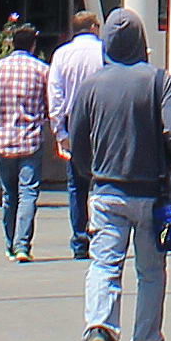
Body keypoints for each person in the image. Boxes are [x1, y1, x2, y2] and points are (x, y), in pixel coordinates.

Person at [61, 9, 171, 341]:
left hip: (106, 190)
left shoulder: (91, 85)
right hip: (151, 191)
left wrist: (89, 171)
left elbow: (78, 140)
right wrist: (169, 161)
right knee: (151, 271)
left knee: (104, 264)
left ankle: (99, 329)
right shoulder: (158, 81)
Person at [0, 21, 57, 261]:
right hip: (31, 139)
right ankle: (22, 245)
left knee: (9, 193)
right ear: (33, 45)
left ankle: (10, 243)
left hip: (3, 140)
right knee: (28, 192)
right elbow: (52, 107)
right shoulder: (42, 70)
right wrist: (59, 134)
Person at [51, 13, 110, 255]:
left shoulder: (62, 54)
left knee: (77, 185)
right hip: (100, 119)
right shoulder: (104, 52)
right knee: (103, 180)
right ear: (93, 27)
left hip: (73, 120)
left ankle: (79, 239)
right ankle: (101, 234)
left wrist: (59, 131)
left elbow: (55, 95)